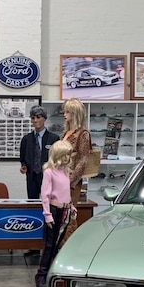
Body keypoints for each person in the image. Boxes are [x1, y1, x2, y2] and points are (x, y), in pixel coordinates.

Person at [34, 140, 75, 287]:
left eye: (69, 155)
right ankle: (41, 275)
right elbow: (44, 195)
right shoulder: (49, 172)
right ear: (58, 155)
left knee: (59, 244)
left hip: (64, 210)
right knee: (50, 244)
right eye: (65, 155)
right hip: (53, 210)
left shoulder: (65, 172)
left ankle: (53, 272)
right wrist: (47, 214)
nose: (67, 158)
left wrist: (71, 206)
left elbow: (67, 193)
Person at [59, 97, 92, 242]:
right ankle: (60, 244)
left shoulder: (83, 134)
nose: (65, 114)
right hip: (60, 177)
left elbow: (83, 160)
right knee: (60, 214)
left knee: (69, 214)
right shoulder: (67, 133)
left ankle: (68, 245)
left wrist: (71, 181)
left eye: (68, 112)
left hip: (71, 181)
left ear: (75, 113)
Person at [19, 105, 60, 200]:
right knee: (32, 203)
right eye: (33, 118)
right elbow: (22, 158)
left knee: (49, 203)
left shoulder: (54, 138)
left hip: (48, 177)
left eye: (38, 117)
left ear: (44, 118)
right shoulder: (26, 139)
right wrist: (23, 166)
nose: (35, 120)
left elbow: (57, 159)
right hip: (32, 177)